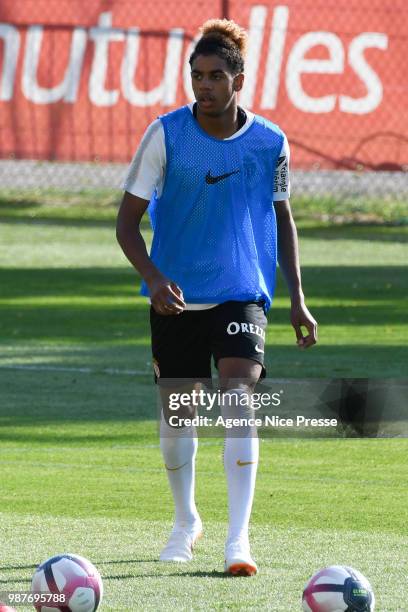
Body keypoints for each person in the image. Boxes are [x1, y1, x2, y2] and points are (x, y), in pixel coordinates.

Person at [116, 18, 317, 576]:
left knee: (238, 396)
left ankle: (238, 539)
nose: (203, 85)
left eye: (214, 75)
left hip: (240, 294)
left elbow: (282, 216)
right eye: (195, 75)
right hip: (174, 298)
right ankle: (185, 522)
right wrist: (154, 278)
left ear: (239, 79)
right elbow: (127, 223)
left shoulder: (270, 141)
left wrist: (297, 297)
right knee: (179, 418)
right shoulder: (165, 134)